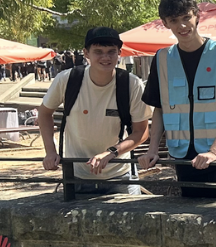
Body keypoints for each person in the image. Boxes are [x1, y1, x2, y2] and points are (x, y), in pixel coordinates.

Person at [137, 0, 216, 199]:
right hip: (184, 159)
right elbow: (159, 109)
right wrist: (152, 150)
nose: (182, 26)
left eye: (186, 17)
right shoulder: (161, 59)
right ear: (165, 23)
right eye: (174, 20)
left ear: (197, 16)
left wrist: (214, 152)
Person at [37, 26, 151, 195]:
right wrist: (50, 151)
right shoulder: (67, 79)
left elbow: (141, 132)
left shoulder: (131, 84)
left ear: (119, 53)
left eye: (111, 51)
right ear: (86, 53)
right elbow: (44, 113)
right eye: (98, 51)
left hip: (120, 176)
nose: (105, 57)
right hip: (76, 176)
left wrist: (110, 153)